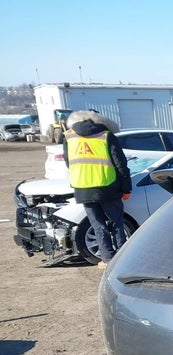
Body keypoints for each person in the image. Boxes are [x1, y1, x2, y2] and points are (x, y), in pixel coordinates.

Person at [63, 110, 132, 268]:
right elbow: (120, 164)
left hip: (83, 188)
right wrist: (126, 188)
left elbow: (68, 162)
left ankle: (107, 258)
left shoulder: (69, 137)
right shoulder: (106, 136)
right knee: (116, 222)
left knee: (97, 224)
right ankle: (121, 258)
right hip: (108, 186)